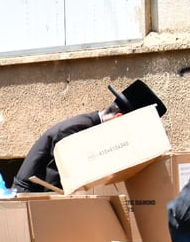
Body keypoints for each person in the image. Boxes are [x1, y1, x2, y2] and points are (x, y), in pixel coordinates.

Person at [12, 79, 166, 192]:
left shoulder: (90, 127)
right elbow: (55, 180)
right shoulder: (77, 131)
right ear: (119, 118)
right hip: (29, 197)